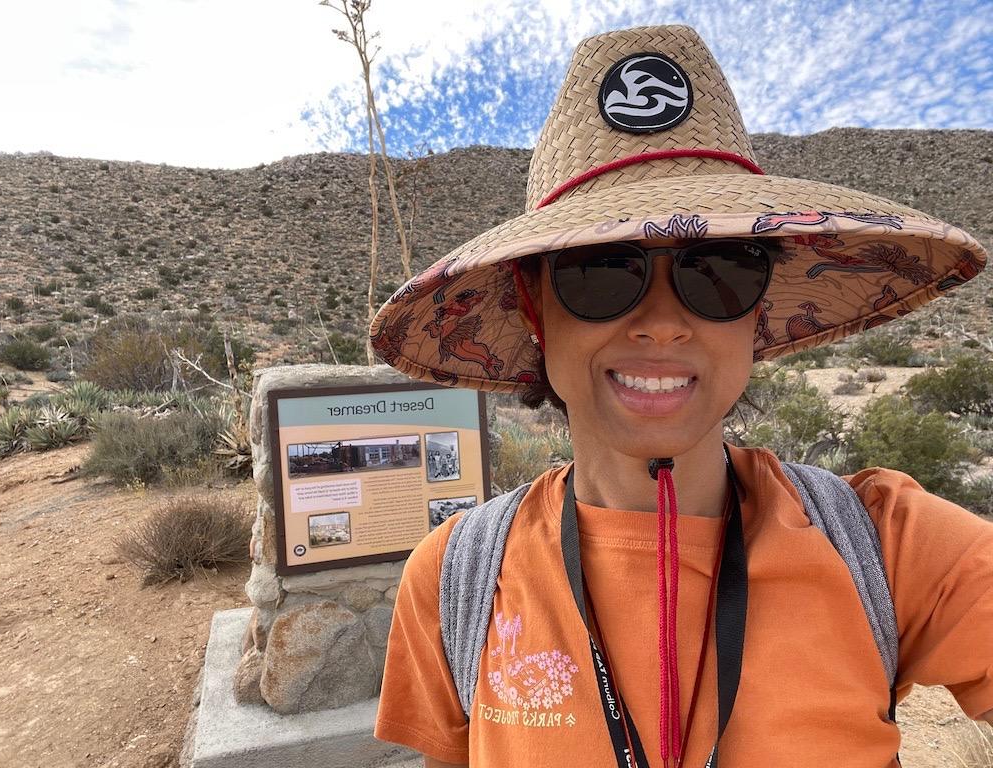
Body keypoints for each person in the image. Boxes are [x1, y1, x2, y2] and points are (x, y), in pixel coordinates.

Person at [369, 25, 992, 768]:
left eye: (719, 269)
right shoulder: (455, 581)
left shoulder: (890, 549)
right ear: (535, 310)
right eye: (600, 271)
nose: (663, 324)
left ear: (756, 312)